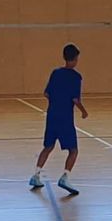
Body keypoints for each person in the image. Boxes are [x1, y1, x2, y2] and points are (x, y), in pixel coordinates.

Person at [29, 43, 88, 195]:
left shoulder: (55, 73)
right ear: (75, 59)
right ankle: (65, 176)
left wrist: (56, 102)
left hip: (52, 116)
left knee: (48, 146)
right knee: (73, 150)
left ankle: (36, 175)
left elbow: (46, 94)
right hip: (65, 119)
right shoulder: (76, 77)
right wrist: (83, 111)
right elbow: (75, 99)